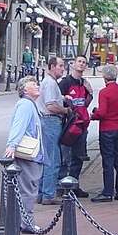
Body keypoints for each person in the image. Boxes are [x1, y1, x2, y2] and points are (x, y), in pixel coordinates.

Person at [4, 76, 44, 233]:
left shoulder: (29, 104)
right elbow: (18, 125)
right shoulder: (26, 105)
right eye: (33, 84)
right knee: (28, 189)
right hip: (29, 155)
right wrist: (12, 145)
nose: (37, 86)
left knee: (27, 188)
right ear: (25, 90)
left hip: (32, 155)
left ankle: (23, 221)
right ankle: (27, 223)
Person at [90, 64, 118, 202]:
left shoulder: (104, 92)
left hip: (107, 129)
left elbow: (102, 112)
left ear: (104, 77)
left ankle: (107, 191)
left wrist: (93, 115)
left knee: (108, 160)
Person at [37, 56, 72, 205]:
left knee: (46, 158)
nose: (62, 68)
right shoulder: (51, 84)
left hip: (46, 121)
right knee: (53, 159)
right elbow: (50, 105)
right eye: (60, 65)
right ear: (51, 67)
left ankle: (41, 192)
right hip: (51, 121)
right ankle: (49, 194)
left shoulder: (49, 83)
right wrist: (65, 110)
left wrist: (62, 97)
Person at [58, 54, 93, 197]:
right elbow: (58, 101)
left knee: (78, 156)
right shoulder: (65, 83)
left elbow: (85, 104)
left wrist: (90, 92)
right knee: (64, 156)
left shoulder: (84, 83)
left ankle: (74, 184)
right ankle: (60, 184)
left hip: (81, 125)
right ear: (73, 64)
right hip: (68, 125)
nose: (81, 64)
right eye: (79, 61)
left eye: (84, 62)